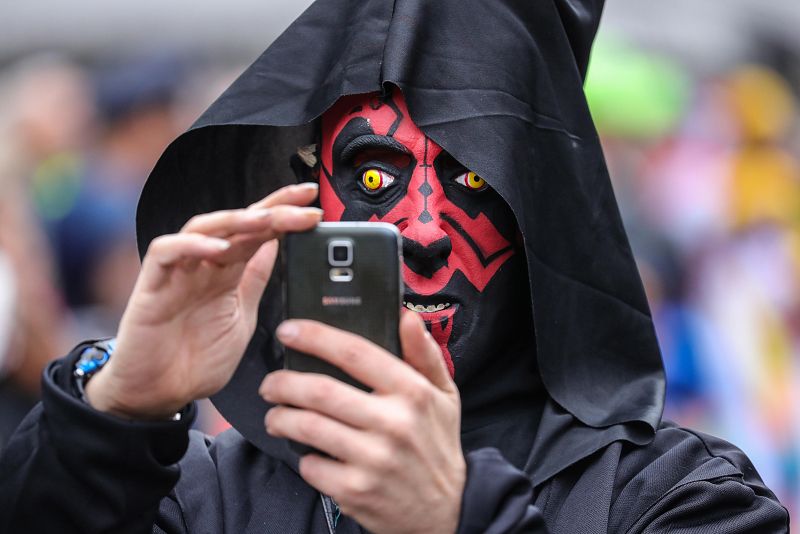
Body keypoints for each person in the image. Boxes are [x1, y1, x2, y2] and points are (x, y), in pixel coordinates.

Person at [0, 1, 790, 532]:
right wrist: (113, 415)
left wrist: (458, 517)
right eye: (374, 177)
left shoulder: (672, 499)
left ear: (542, 210)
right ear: (308, 197)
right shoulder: (205, 500)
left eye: (474, 179)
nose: (424, 231)